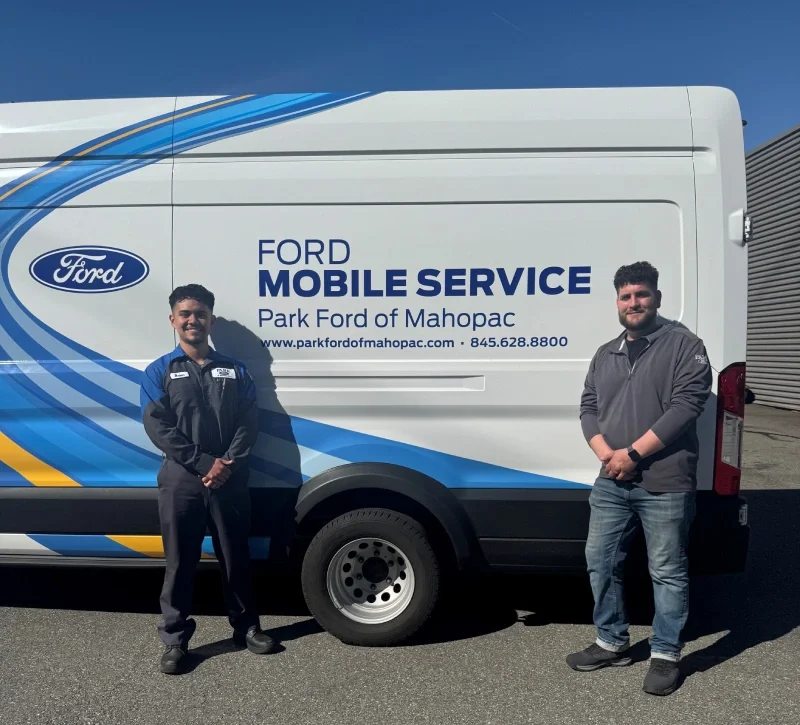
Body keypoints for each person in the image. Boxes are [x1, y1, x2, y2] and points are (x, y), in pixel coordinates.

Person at [567, 261, 712, 696]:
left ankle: (666, 654)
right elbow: (588, 407)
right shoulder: (605, 352)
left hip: (665, 482)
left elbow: (687, 406)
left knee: (667, 570)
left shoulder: (685, 346)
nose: (634, 303)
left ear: (657, 298)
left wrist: (632, 454)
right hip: (611, 479)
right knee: (600, 560)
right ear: (617, 302)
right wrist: (607, 455)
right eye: (626, 296)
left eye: (642, 294)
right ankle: (611, 641)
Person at [140, 283, 277, 674]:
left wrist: (226, 463)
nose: (192, 320)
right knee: (179, 562)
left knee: (235, 557)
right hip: (181, 479)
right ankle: (175, 640)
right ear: (172, 320)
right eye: (184, 314)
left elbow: (249, 423)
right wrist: (203, 463)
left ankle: (246, 628)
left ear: (211, 319)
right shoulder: (159, 371)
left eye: (199, 313)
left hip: (229, 477)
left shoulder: (235, 370)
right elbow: (158, 427)